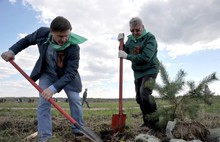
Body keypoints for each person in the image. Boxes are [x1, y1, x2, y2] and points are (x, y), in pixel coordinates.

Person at [1, 16, 87, 141]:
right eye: (60, 36)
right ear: (51, 32)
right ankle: (45, 137)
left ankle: (78, 129)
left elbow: (71, 72)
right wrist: (12, 51)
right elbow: (26, 40)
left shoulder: (74, 47)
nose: (64, 39)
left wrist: (53, 89)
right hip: (47, 73)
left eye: (66, 35)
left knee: (75, 99)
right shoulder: (42, 33)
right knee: (43, 103)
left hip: (68, 77)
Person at [117, 17, 159, 129]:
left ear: (143, 27)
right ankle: (147, 122)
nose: (135, 33)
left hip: (150, 69)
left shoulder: (150, 38)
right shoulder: (130, 39)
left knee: (144, 93)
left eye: (137, 30)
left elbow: (146, 57)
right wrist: (120, 44)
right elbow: (125, 51)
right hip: (138, 72)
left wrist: (127, 57)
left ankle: (155, 123)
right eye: (132, 30)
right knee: (139, 98)